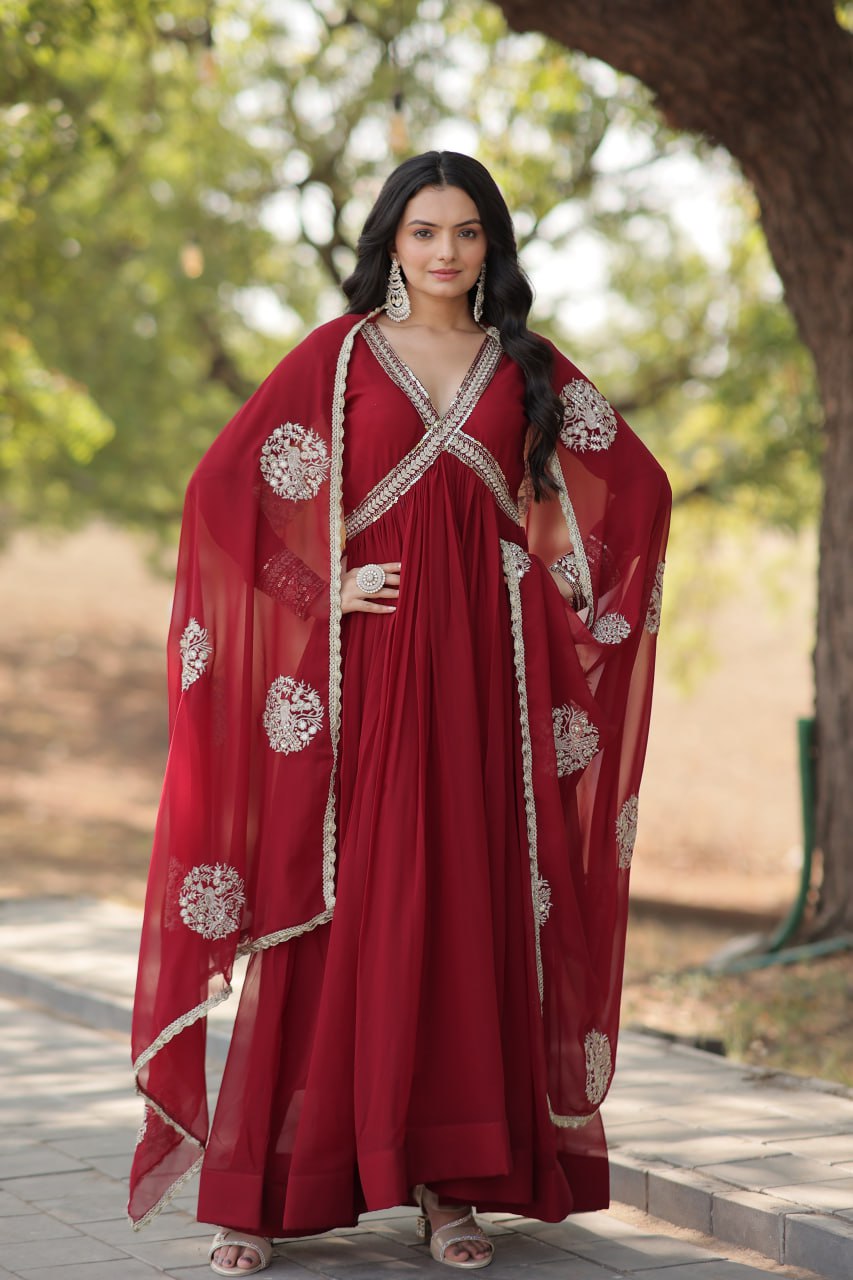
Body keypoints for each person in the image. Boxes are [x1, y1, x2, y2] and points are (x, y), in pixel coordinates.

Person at [128, 151, 671, 1274]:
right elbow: (222, 498)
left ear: (491, 247)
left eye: (467, 232)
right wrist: (316, 589)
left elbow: (638, 484)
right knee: (337, 904)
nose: (444, 252)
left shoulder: (522, 365)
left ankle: (450, 1186)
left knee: (466, 908)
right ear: (392, 239)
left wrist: (569, 592)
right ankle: (265, 1193)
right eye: (424, 230)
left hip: (487, 679)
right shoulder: (336, 360)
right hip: (364, 675)